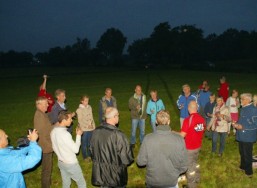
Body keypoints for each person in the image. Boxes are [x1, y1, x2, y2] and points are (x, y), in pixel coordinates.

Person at [137, 110, 188, 188]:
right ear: (169, 122)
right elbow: (184, 165)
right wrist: (174, 173)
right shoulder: (179, 139)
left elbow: (140, 162)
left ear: (156, 122)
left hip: (153, 182)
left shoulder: (148, 138)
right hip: (171, 182)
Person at [90, 107, 134, 187]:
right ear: (114, 117)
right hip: (115, 175)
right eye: (118, 115)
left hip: (101, 173)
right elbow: (127, 158)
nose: (118, 117)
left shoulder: (96, 131)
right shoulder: (118, 135)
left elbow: (92, 150)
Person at [50, 111, 87, 188]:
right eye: (70, 119)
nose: (72, 120)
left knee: (66, 183)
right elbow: (76, 150)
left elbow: (53, 147)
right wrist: (78, 135)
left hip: (61, 162)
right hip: (71, 164)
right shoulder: (65, 134)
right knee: (82, 184)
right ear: (63, 121)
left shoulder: (53, 131)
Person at [180, 101, 205, 188]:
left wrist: (173, 133)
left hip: (189, 148)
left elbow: (182, 135)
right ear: (197, 108)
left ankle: (191, 185)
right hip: (198, 146)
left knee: (189, 168)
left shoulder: (187, 120)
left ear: (188, 109)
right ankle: (197, 178)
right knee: (195, 163)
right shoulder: (202, 119)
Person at [232, 93, 257, 178]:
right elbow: (241, 120)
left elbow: (255, 125)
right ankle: (243, 167)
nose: (240, 101)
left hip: (248, 136)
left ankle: (249, 172)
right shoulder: (243, 108)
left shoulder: (253, 110)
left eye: (242, 99)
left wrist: (243, 127)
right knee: (242, 152)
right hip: (241, 135)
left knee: (247, 154)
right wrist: (236, 124)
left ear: (247, 100)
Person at [33, 96, 53, 188]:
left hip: (47, 146)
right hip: (45, 147)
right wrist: (50, 147)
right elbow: (41, 135)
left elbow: (47, 128)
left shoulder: (42, 114)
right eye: (46, 104)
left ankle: (47, 183)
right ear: (39, 104)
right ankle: (45, 186)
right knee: (46, 169)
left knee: (47, 168)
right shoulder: (39, 116)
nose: (48, 105)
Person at [76, 95, 95, 161]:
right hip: (84, 129)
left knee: (90, 142)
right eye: (86, 101)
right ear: (82, 101)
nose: (87, 102)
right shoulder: (79, 110)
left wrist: (93, 126)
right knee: (84, 143)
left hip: (91, 128)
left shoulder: (89, 107)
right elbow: (80, 120)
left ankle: (90, 155)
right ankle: (85, 156)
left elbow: (92, 117)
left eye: (88, 101)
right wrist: (87, 125)